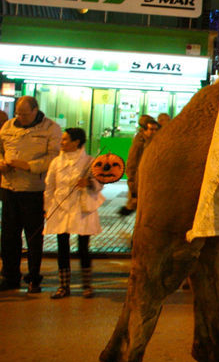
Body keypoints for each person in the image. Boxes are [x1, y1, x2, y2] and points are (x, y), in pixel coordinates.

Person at [0, 96, 62, 293]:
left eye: (25, 114)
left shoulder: (50, 128)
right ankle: (10, 277)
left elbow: (54, 158)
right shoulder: (8, 126)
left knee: (33, 236)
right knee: (9, 236)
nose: (21, 117)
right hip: (9, 188)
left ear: (36, 110)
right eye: (19, 113)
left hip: (34, 190)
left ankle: (34, 277)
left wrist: (29, 166)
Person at [43, 127, 105, 298]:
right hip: (61, 208)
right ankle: (64, 286)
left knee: (83, 248)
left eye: (65, 140)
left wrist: (89, 183)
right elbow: (49, 187)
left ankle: (87, 285)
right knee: (62, 246)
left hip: (82, 210)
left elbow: (100, 184)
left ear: (76, 142)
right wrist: (48, 208)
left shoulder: (89, 162)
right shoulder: (56, 162)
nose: (61, 143)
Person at [119, 115, 159, 216]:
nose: (154, 132)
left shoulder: (154, 142)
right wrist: (133, 191)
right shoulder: (139, 144)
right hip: (139, 181)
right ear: (144, 130)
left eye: (156, 129)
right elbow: (131, 166)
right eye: (151, 129)